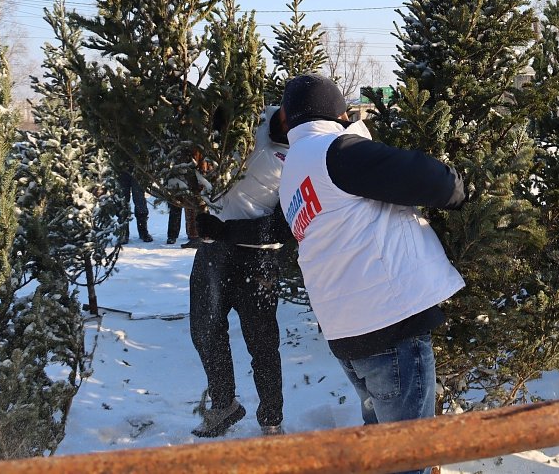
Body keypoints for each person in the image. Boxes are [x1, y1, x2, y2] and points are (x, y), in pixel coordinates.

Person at [278, 74, 466, 474]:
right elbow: (434, 181)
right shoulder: (337, 152)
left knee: (381, 449)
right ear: (337, 113)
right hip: (389, 324)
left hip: (348, 333)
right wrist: (464, 187)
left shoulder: (294, 172)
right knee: (407, 456)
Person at [187, 105, 291, 438]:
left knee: (261, 342)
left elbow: (282, 228)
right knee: (205, 328)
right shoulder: (257, 115)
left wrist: (226, 230)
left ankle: (271, 420)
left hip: (257, 259)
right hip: (213, 251)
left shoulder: (303, 155)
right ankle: (224, 404)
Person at [119, 169, 153, 243]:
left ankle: (143, 232)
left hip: (138, 168)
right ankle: (123, 233)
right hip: (121, 169)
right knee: (122, 202)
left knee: (140, 202)